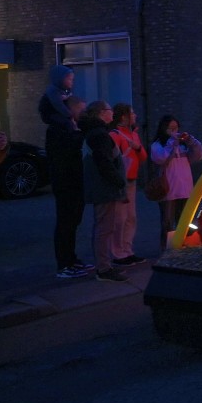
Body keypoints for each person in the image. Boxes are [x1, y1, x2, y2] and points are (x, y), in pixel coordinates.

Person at [79, 101, 129, 283]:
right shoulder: (99, 135)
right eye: (109, 110)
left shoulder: (94, 133)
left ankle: (104, 264)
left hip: (102, 187)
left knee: (103, 226)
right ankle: (104, 268)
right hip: (105, 189)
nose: (112, 113)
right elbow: (104, 162)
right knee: (104, 228)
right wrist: (118, 181)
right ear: (101, 113)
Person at [47, 96, 94, 278]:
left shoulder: (73, 127)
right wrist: (77, 134)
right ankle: (64, 264)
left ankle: (72, 259)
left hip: (76, 181)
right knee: (65, 223)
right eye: (81, 110)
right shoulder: (57, 129)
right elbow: (64, 152)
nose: (83, 114)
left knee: (73, 222)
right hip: (65, 183)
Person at [150, 115, 202, 249]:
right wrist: (171, 144)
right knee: (167, 222)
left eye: (176, 128)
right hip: (169, 189)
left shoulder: (183, 146)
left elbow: (199, 156)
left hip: (185, 188)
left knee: (184, 221)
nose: (175, 131)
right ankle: (166, 249)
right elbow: (161, 159)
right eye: (171, 128)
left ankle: (184, 246)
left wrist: (192, 142)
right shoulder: (157, 145)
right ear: (164, 129)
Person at [109, 103, 147, 266]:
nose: (135, 116)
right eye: (131, 113)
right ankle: (118, 253)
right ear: (123, 117)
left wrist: (137, 148)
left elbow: (143, 157)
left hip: (131, 181)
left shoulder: (133, 135)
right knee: (120, 218)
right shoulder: (115, 135)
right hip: (121, 182)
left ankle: (127, 250)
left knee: (131, 217)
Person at [38, 64, 74, 129]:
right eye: (69, 80)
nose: (72, 82)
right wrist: (70, 115)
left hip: (58, 113)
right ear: (60, 79)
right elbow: (58, 105)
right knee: (67, 124)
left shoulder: (63, 90)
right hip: (50, 114)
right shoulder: (53, 90)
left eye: (72, 80)